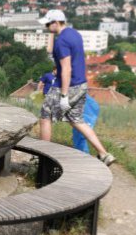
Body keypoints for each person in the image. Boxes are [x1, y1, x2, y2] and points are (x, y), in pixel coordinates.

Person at [37, 9, 116, 166]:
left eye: (48, 23)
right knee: (77, 120)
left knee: (45, 117)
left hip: (66, 86)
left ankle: (43, 157)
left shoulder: (61, 42)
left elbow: (66, 69)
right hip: (81, 84)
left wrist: (64, 95)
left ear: (55, 22)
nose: (46, 26)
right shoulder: (74, 34)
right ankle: (104, 154)